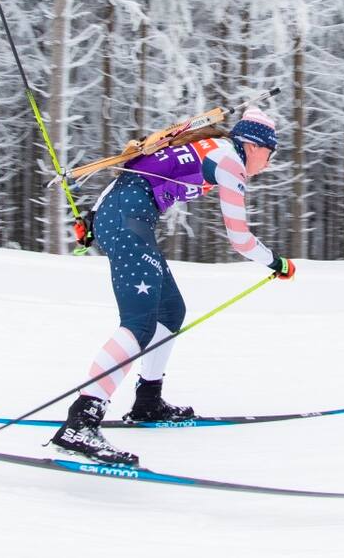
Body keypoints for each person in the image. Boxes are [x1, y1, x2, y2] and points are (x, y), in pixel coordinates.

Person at [49, 106, 295, 466]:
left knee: (170, 310)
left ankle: (148, 400)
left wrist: (93, 218)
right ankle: (80, 422)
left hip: (121, 215)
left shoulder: (209, 145)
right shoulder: (229, 160)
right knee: (139, 323)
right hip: (126, 219)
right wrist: (277, 263)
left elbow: (135, 172)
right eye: (270, 155)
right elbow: (239, 239)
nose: (268, 164)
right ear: (254, 146)